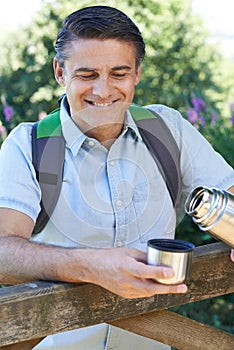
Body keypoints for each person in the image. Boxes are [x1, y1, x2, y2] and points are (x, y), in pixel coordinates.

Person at [0, 5, 233, 350]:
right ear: (60, 72)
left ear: (137, 73)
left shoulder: (167, 129)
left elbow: (229, 193)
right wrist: (89, 266)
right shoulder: (27, 144)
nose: (103, 91)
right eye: (87, 74)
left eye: (119, 74)